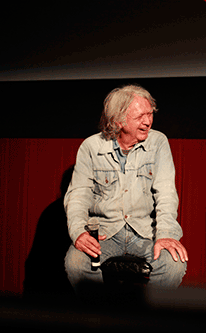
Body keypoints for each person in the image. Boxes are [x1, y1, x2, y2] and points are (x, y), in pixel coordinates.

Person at [64, 84, 188, 300]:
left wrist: (166, 234)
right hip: (105, 231)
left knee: (173, 265)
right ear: (119, 121)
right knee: (75, 263)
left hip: (145, 231)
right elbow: (78, 196)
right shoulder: (91, 147)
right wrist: (78, 232)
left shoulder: (158, 142)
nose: (148, 121)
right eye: (141, 116)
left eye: (150, 114)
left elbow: (166, 193)